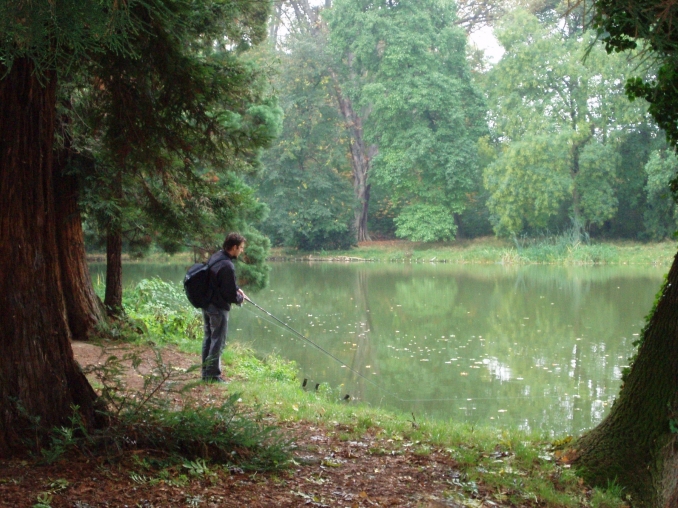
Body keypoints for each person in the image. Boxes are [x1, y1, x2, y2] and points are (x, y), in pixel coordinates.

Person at [202, 232, 247, 383]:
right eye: (240, 248)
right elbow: (229, 294)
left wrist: (237, 288)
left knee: (209, 338)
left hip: (207, 304)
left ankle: (206, 373)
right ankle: (213, 376)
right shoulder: (227, 265)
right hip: (218, 308)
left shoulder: (216, 257)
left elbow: (222, 282)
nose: (241, 251)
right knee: (218, 341)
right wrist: (240, 298)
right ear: (234, 247)